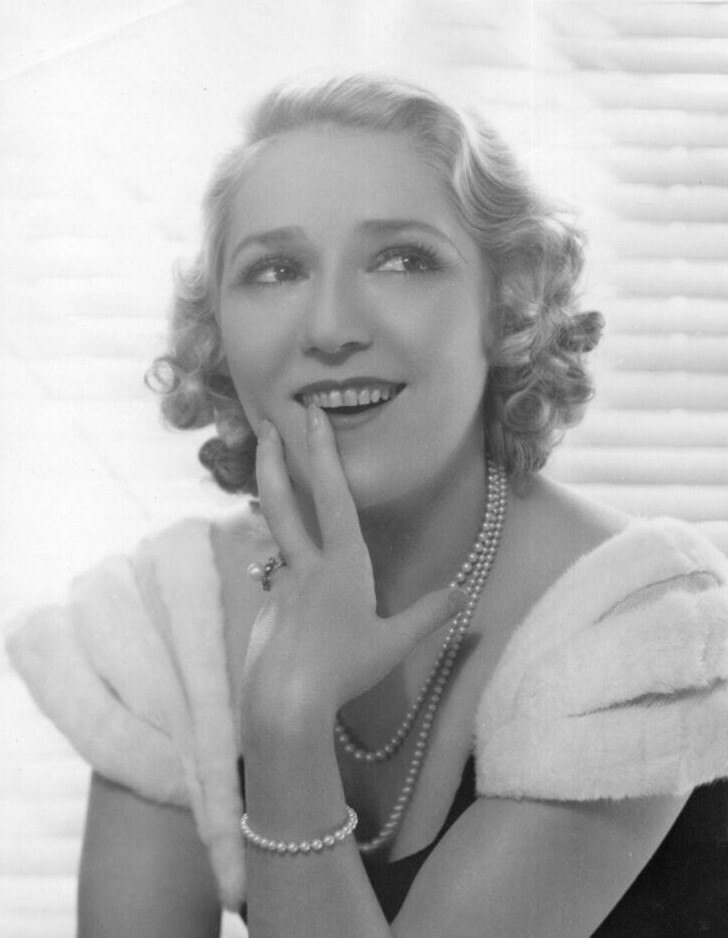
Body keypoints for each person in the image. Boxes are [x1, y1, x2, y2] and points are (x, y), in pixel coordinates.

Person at [7, 74, 728, 938]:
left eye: (402, 260)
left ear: (507, 308)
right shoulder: (172, 620)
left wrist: (287, 723)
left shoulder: (644, 625)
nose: (331, 327)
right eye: (275, 270)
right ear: (219, 333)